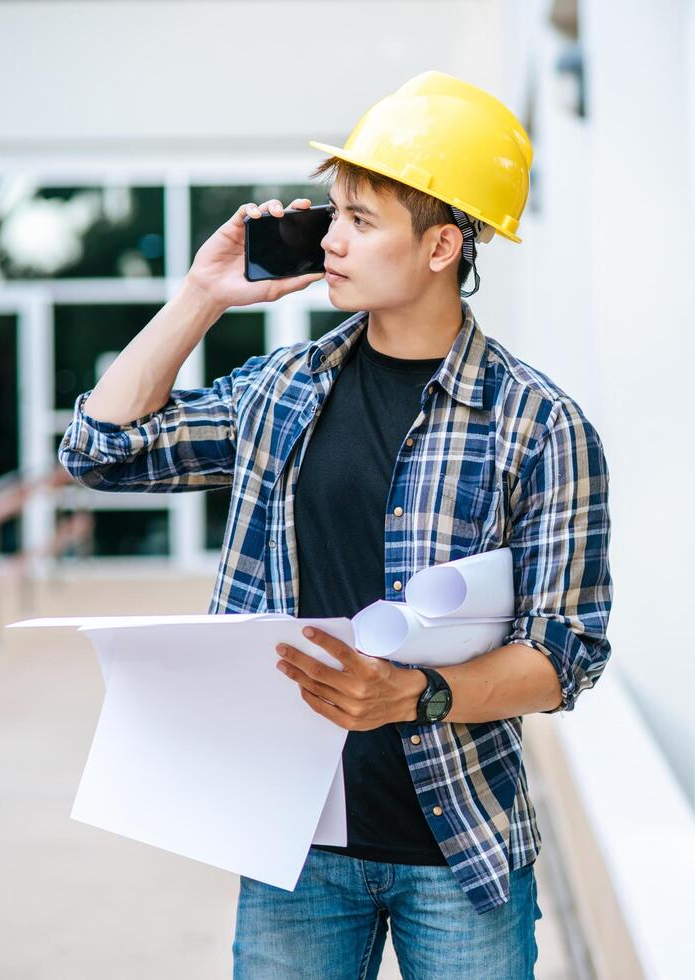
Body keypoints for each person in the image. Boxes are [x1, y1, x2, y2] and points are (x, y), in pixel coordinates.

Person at [57, 71, 613, 979]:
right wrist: (200, 295)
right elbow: (101, 450)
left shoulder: (541, 427)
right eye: (332, 211)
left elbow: (567, 656)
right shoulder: (281, 392)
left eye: (359, 218)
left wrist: (415, 696)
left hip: (459, 847)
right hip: (294, 847)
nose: (328, 238)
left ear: (440, 246)